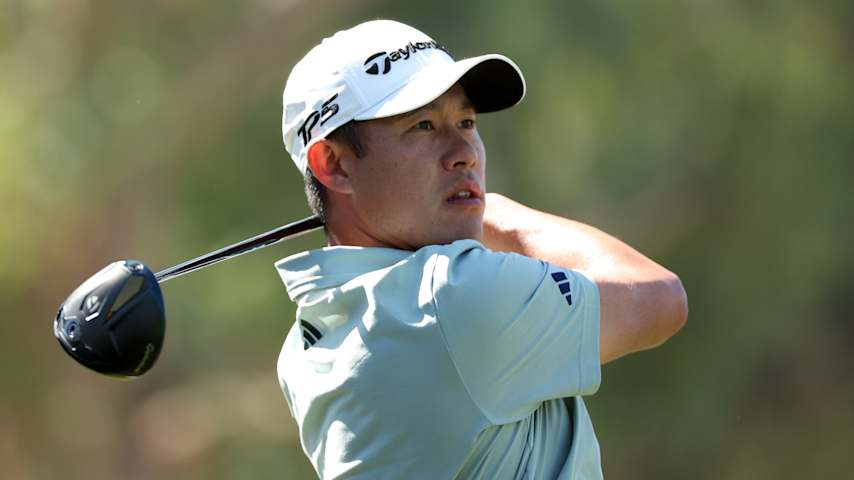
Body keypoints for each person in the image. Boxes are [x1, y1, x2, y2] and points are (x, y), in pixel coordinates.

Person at [275, 19, 687, 479]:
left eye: (467, 122)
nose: (465, 152)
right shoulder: (450, 296)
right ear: (333, 164)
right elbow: (657, 297)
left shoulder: (304, 345)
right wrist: (496, 211)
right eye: (424, 124)